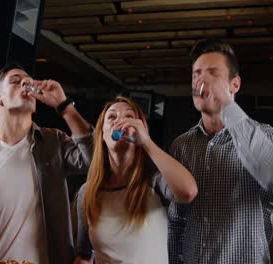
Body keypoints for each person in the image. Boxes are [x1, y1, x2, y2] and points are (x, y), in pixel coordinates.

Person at [167, 38, 273, 264]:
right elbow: (177, 219)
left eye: (212, 73)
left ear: (234, 85)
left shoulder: (270, 137)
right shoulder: (181, 146)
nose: (201, 80)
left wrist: (225, 106)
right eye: (196, 74)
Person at [0, 64, 93, 264]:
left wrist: (63, 106)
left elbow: (96, 162)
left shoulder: (53, 141)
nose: (25, 85)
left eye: (28, 82)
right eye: (15, 81)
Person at [74, 96, 198, 264]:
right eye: (112, 117)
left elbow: (188, 192)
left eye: (129, 117)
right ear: (102, 134)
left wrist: (146, 141)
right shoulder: (87, 193)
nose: (121, 121)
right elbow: (84, 255)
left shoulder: (153, 181)